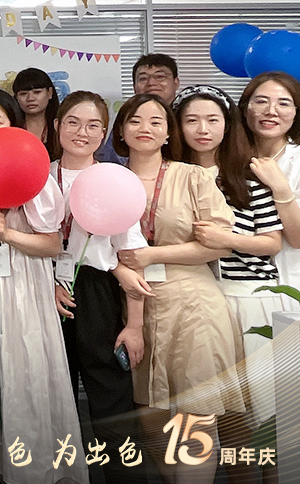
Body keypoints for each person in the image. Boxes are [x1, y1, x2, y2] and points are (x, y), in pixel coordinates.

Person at [114, 94, 244, 482]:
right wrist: (125, 270)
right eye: (135, 120)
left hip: (194, 304)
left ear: (169, 133)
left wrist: (152, 255)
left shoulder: (192, 177)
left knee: (196, 417)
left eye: (156, 121)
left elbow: (220, 243)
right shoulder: (108, 180)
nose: (145, 128)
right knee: (150, 416)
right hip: (137, 307)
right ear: (121, 131)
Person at [0, 89, 87, 484]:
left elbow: (51, 244)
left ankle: (36, 470)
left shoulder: (31, 169)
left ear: (13, 125)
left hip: (22, 284)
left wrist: (8, 233)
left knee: (25, 370)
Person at [175, 84, 283, 484]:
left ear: (228, 124)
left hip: (247, 300)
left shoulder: (246, 176)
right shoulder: (172, 178)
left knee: (260, 412)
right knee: (215, 412)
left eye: (212, 120)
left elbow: (272, 242)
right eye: (191, 120)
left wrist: (226, 240)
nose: (202, 129)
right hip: (197, 304)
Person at [51, 91, 149, 484]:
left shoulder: (114, 179)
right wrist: (48, 282)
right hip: (45, 292)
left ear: (105, 133)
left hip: (97, 291)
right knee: (52, 400)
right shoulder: (39, 176)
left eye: (94, 125)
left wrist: (135, 325)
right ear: (56, 125)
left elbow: (131, 257)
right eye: (73, 122)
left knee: (111, 401)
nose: (82, 132)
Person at [242, 72, 300, 294]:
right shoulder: (229, 159)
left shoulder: (297, 159)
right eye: (261, 101)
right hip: (239, 284)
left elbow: (297, 239)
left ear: (296, 112)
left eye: (283, 103)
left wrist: (281, 189)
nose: (271, 111)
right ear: (245, 108)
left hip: (290, 280)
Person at [98, 54, 181, 164]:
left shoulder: (185, 116)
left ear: (176, 83)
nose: (151, 83)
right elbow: (110, 161)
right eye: (143, 78)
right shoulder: (127, 116)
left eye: (160, 76)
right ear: (134, 86)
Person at [12, 67, 61, 159]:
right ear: (16, 97)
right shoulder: (10, 127)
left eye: (37, 92)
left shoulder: (61, 127)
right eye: (23, 94)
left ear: (50, 93)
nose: (30, 98)